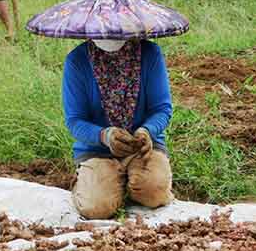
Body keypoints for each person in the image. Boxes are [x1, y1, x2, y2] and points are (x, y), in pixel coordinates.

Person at [64, 37, 175, 219]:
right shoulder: (77, 60)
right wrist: (105, 136)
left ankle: (129, 182)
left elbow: (162, 109)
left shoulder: (149, 54)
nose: (109, 35)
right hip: (97, 150)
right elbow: (75, 120)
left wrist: (147, 130)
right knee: (96, 207)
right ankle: (95, 181)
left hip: (142, 147)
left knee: (154, 192)